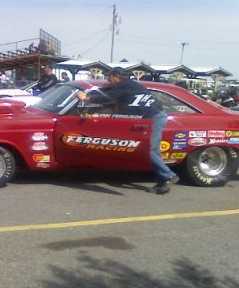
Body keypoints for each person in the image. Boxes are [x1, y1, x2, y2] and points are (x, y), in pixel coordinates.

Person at [76, 67, 179, 195]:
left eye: (109, 77)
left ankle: (169, 176)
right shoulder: (126, 85)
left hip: (154, 117)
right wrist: (90, 94)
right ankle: (163, 181)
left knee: (150, 150)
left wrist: (87, 98)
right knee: (154, 151)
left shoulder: (124, 85)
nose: (108, 80)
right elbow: (106, 91)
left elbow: (107, 96)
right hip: (149, 117)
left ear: (117, 76)